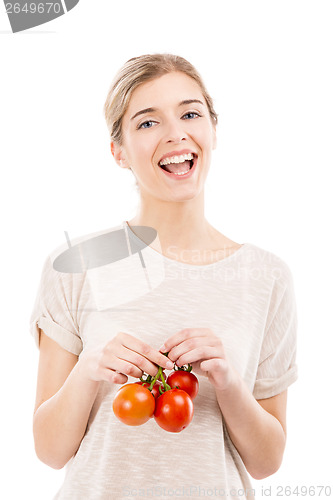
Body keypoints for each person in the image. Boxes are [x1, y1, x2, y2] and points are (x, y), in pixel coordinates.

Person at [30, 53, 298, 499]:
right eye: (148, 122)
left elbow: (267, 462)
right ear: (118, 152)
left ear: (212, 130)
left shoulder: (267, 277)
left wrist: (229, 384)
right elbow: (49, 450)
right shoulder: (75, 265)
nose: (177, 134)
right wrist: (89, 370)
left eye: (190, 113)